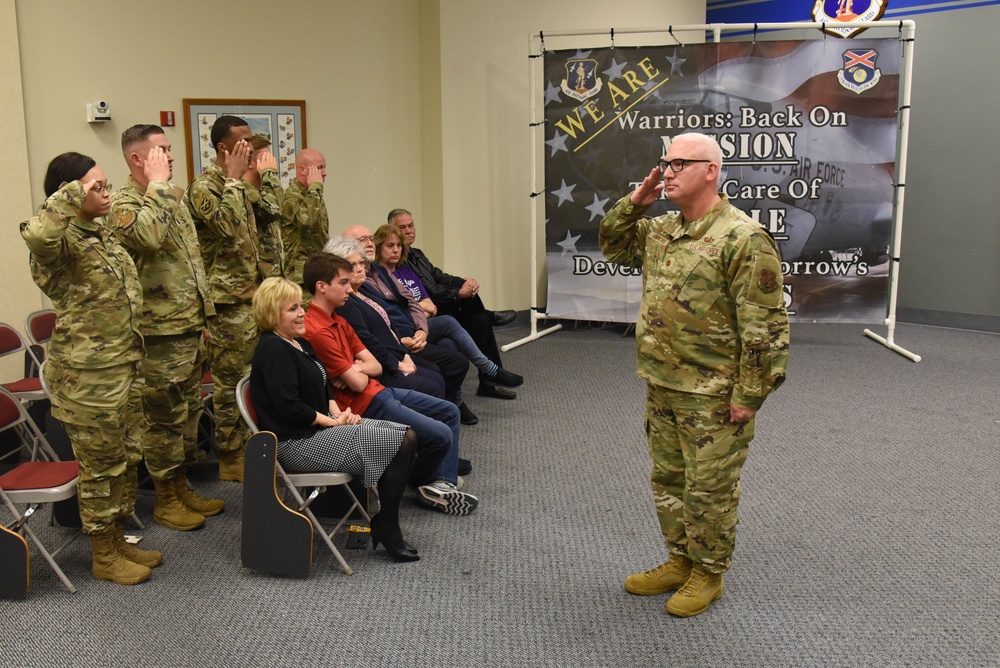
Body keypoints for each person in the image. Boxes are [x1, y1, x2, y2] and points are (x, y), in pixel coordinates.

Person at [599, 133, 790, 617]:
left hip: (713, 391)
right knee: (669, 478)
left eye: (680, 163)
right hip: (662, 381)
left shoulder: (743, 238)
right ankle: (680, 559)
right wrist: (635, 201)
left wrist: (749, 395)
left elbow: (765, 326)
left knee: (710, 486)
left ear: (711, 171)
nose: (667, 171)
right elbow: (613, 246)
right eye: (664, 163)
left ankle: (710, 572)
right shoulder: (661, 229)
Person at [20, 152, 158, 585]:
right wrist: (71, 194)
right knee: (101, 465)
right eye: (95, 187)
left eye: (104, 184)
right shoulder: (56, 243)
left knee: (126, 456)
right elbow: (40, 236)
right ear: (69, 193)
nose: (106, 192)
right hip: (88, 378)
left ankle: (117, 540)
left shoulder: (100, 234)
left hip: (123, 367)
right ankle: (103, 553)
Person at [249, 277, 422, 561]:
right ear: (272, 314)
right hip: (295, 443)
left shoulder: (297, 343)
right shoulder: (273, 349)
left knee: (408, 436)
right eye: (292, 309)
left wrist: (337, 412)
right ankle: (388, 525)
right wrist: (332, 422)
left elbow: (324, 384)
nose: (302, 313)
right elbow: (289, 408)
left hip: (318, 430)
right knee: (401, 441)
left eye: (300, 306)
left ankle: (386, 521)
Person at [302, 253, 478, 516]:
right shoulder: (317, 329)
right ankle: (427, 484)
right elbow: (359, 384)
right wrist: (357, 370)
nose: (350, 289)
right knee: (441, 435)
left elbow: (374, 366)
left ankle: (440, 484)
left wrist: (355, 368)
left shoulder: (337, 318)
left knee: (449, 412)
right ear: (321, 286)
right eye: (343, 283)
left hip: (379, 390)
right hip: (365, 404)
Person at [110, 124, 222, 532]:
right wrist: (157, 187)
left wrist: (204, 318)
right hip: (157, 336)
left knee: (188, 414)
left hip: (187, 328)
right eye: (161, 150)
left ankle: (179, 484)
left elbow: (193, 262)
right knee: (162, 419)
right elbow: (147, 239)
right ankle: (163, 498)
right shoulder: (123, 203)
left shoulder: (170, 198)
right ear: (137, 159)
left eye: (170, 149)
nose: (170, 157)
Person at [184, 115, 267, 483]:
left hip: (251, 298)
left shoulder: (240, 186)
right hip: (226, 304)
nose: (250, 147)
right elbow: (226, 226)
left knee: (254, 377)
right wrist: (234, 180)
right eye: (243, 142)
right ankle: (230, 455)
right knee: (230, 381)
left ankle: (252, 445)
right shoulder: (206, 187)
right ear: (223, 148)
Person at [342, 225, 480, 423]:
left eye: (370, 238)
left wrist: (421, 330)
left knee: (453, 346)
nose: (369, 244)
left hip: (408, 335)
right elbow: (372, 335)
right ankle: (452, 409)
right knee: (439, 369)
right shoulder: (355, 292)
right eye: (362, 241)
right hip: (397, 346)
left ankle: (451, 411)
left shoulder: (381, 271)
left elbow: (410, 302)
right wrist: (400, 355)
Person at [373, 224, 523, 396]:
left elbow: (431, 304)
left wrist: (462, 284)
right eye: (390, 246)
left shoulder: (408, 267)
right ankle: (489, 369)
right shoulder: (379, 276)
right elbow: (395, 310)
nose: (396, 250)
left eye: (399, 246)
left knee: (473, 324)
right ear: (379, 247)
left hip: (427, 321)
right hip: (410, 329)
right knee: (451, 320)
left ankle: (462, 399)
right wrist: (421, 309)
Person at [324, 236, 449, 401]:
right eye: (353, 265)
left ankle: (446, 417)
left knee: (438, 373)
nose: (360, 269)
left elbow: (388, 320)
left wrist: (404, 354)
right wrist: (397, 364)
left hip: (394, 352)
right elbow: (367, 339)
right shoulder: (345, 302)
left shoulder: (363, 291)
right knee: (433, 384)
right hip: (380, 365)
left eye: (361, 263)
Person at [281, 149, 329, 287]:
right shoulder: (291, 197)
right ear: (302, 170)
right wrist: (315, 189)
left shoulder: (312, 194)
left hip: (318, 269)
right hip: (299, 276)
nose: (324, 173)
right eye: (320, 168)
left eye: (324, 167)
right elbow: (306, 220)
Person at [244, 134, 284, 279]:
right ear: (250, 163)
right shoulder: (244, 191)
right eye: (266, 158)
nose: (271, 164)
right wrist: (269, 173)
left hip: (271, 276)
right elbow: (272, 210)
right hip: (255, 278)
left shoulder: (264, 192)